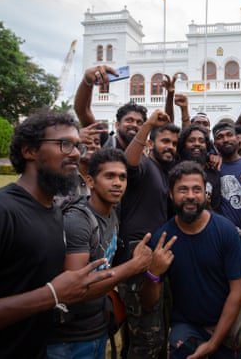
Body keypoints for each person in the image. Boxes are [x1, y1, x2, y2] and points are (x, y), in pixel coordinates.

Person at [0, 111, 113, 358]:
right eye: (65, 144)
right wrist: (51, 295)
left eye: (77, 146)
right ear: (29, 151)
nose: (75, 153)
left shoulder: (53, 210)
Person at [47, 148, 154, 359]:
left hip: (96, 327)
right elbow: (75, 288)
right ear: (91, 181)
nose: (118, 183)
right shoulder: (78, 221)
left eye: (122, 177)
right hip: (70, 338)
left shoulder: (112, 211)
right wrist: (133, 266)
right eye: (109, 176)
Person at [141, 161, 241, 359]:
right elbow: (148, 304)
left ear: (205, 195)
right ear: (171, 195)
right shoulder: (162, 239)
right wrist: (153, 273)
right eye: (183, 190)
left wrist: (213, 343)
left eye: (196, 189)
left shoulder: (225, 231)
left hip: (226, 322)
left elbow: (239, 291)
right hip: (186, 325)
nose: (190, 196)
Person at [116, 109, 178, 359]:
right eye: (165, 141)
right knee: (147, 341)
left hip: (154, 261)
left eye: (174, 143)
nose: (171, 147)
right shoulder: (142, 164)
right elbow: (128, 162)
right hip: (136, 260)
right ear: (150, 144)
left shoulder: (163, 171)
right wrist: (148, 124)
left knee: (149, 335)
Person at [74, 65, 148, 151]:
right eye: (129, 120)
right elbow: (83, 110)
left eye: (139, 122)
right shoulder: (106, 142)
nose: (134, 125)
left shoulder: (142, 156)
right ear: (117, 125)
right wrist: (87, 82)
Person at [212, 122, 241, 231]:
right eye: (220, 137)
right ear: (215, 144)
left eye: (229, 135)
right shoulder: (211, 169)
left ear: (236, 138)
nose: (226, 139)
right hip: (222, 235)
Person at [176, 124, 221, 211]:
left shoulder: (214, 174)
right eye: (191, 140)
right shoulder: (174, 170)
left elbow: (215, 208)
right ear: (183, 144)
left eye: (201, 141)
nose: (197, 144)